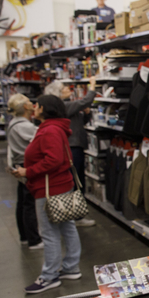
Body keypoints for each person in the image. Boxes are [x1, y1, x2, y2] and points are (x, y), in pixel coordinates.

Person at [12, 95, 83, 294]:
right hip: (60, 185)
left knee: (49, 233)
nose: (34, 107)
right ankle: (71, 268)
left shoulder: (49, 130)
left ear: (44, 108)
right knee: (67, 226)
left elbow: (53, 159)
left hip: (50, 188)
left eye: (37, 105)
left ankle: (49, 276)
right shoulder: (56, 127)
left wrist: (28, 171)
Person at [44, 77, 97, 226]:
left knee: (77, 180)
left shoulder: (68, 107)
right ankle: (74, 218)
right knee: (75, 181)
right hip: (71, 149)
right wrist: (92, 86)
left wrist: (86, 114)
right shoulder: (63, 107)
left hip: (75, 147)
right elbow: (85, 101)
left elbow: (81, 122)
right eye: (64, 89)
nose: (68, 89)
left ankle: (74, 216)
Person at [6, 94, 42, 250]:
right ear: (26, 107)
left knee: (22, 201)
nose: (33, 103)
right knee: (29, 203)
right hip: (26, 166)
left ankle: (25, 237)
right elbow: (42, 140)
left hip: (19, 164)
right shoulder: (25, 126)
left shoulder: (14, 123)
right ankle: (34, 240)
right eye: (29, 102)